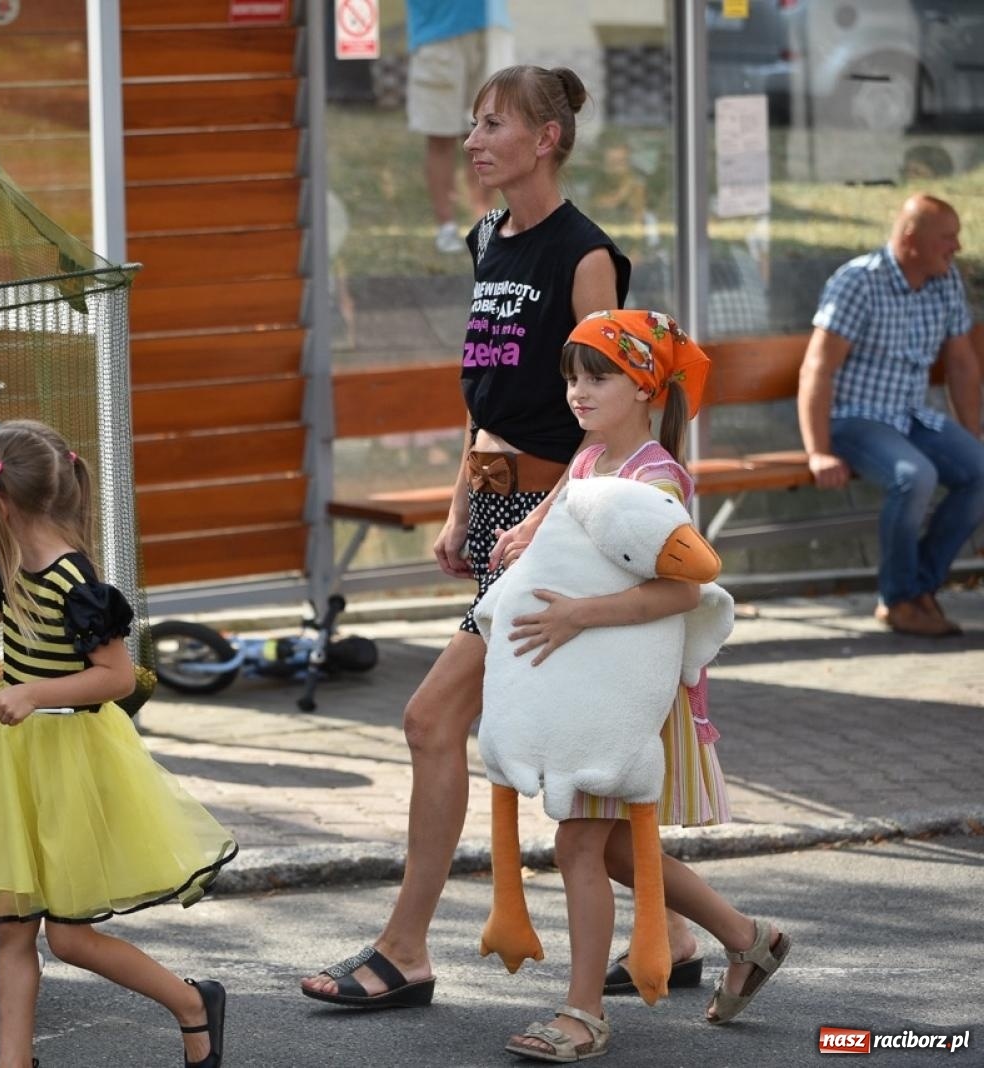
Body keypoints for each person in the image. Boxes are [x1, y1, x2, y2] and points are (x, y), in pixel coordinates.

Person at [301, 64, 656, 1008]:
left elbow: (611, 416)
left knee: (434, 722)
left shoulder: (587, 256)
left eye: (493, 124)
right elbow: (485, 391)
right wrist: (465, 499)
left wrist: (539, 519)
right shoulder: (487, 238)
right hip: (501, 513)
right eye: (471, 124)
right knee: (566, 754)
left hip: (559, 523)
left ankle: (404, 949)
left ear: (546, 139)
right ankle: (716, 933)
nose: (472, 141)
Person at [0, 420, 237, 1068]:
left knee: (68, 939)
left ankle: (191, 1003)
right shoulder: (10, 569)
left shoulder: (74, 582)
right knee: (11, 930)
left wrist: (33, 693)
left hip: (71, 762)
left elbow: (117, 677)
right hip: (18, 763)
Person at [502, 310, 790, 1061]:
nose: (577, 391)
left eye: (597, 377)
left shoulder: (654, 479)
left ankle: (583, 1014)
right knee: (618, 852)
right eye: (571, 377)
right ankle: (747, 938)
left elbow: (683, 591)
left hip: (624, 698)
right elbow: (563, 507)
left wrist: (577, 615)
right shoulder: (594, 456)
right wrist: (526, 535)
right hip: (592, 685)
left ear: (643, 387)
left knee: (577, 845)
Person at [799, 193, 984, 637]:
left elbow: (962, 364)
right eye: (947, 238)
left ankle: (920, 587)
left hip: (912, 415)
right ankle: (899, 599)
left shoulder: (944, 281)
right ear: (911, 240)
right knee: (914, 476)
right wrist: (818, 451)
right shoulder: (859, 281)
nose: (957, 247)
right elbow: (817, 369)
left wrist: (972, 433)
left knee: (980, 472)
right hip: (854, 418)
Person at [406, 0, 515, 253]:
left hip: (492, 26)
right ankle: (446, 227)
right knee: (440, 137)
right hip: (438, 30)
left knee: (488, 137)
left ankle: (486, 227)